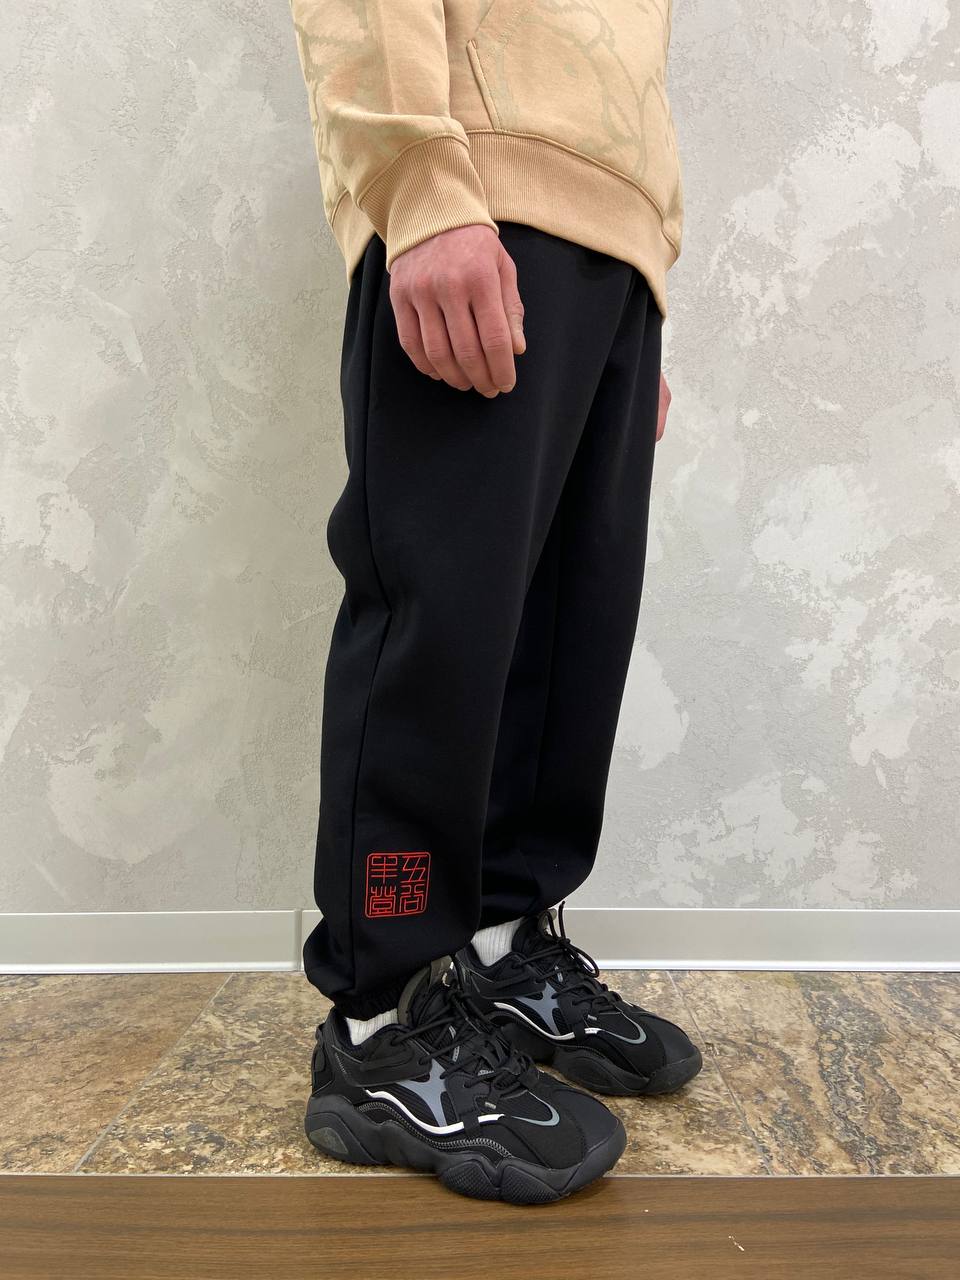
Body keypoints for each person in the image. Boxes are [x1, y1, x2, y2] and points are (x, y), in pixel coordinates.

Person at [288, 0, 702, 1204]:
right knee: (443, 624)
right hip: (474, 184)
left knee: (573, 633)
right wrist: (418, 184)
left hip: (610, 239)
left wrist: (641, 275)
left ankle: (507, 954)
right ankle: (380, 1022)